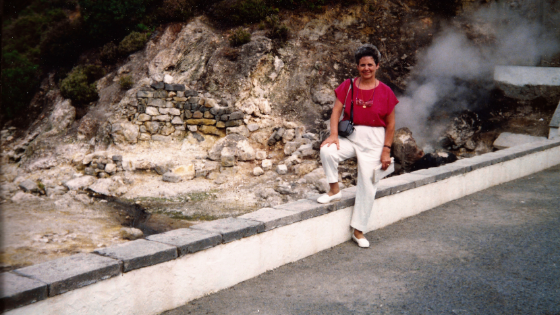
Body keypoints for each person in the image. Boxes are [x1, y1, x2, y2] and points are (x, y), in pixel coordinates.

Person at [317, 44, 398, 248]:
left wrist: (386, 150)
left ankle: (358, 230)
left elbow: (391, 124)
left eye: (370, 64)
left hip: (375, 139)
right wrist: (333, 135)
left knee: (368, 185)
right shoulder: (348, 85)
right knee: (327, 150)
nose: (366, 68)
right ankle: (334, 189)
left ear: (377, 66)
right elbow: (336, 111)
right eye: (362, 65)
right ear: (357, 66)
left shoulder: (386, 92)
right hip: (351, 135)